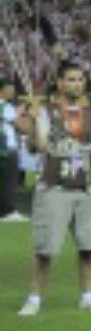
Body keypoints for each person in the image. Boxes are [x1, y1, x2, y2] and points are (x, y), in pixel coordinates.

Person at [19, 63, 91, 316]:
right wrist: (31, 124)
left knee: (89, 246)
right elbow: (38, 147)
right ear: (60, 83)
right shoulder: (46, 112)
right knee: (44, 248)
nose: (77, 84)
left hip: (87, 187)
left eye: (80, 79)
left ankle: (88, 296)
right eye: (71, 79)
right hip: (54, 186)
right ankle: (34, 299)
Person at [0, 80, 23, 223]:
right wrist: (20, 113)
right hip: (7, 148)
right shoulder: (6, 106)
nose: (13, 92)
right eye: (9, 89)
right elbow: (20, 126)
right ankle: (9, 211)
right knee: (10, 180)